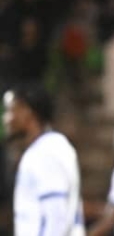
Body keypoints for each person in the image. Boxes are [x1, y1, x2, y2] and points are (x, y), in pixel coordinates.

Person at [2, 83, 85, 236]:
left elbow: (56, 218)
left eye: (10, 110)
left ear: (27, 112)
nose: (5, 119)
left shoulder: (45, 152)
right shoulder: (50, 148)